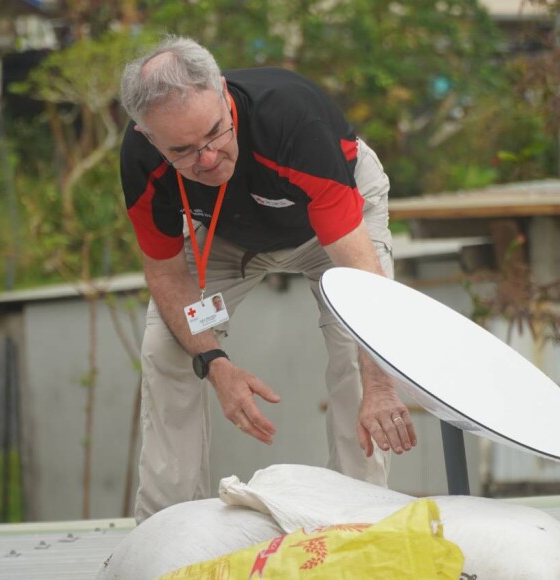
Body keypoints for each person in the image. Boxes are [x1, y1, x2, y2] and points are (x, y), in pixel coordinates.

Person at [119, 36, 418, 523]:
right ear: (148, 136)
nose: (208, 159)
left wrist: (383, 387)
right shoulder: (140, 158)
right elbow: (165, 270)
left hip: (330, 228)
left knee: (355, 351)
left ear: (222, 91)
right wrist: (215, 362)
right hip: (225, 235)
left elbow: (363, 280)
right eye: (184, 150)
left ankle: (357, 519)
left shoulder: (292, 122)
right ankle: (165, 528)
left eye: (215, 133)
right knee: (165, 348)